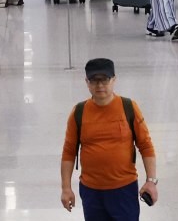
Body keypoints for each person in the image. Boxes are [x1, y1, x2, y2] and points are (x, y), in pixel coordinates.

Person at [60, 58, 158, 220]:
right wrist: (66, 188)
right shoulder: (79, 112)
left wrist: (151, 182)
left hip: (124, 189)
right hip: (91, 191)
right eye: (94, 80)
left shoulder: (129, 107)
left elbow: (146, 146)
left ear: (114, 80)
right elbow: (69, 153)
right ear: (87, 82)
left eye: (104, 79)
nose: (99, 85)